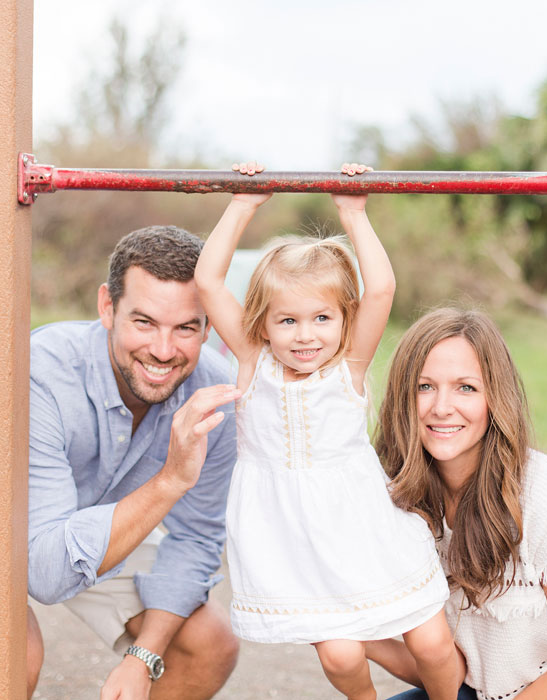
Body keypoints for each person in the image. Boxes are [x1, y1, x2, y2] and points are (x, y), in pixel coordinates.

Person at [0, 226, 242, 700]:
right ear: (107, 307)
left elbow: (196, 538)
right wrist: (168, 484)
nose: (163, 350)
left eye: (185, 328)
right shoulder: (42, 372)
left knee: (207, 643)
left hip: (79, 510)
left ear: (209, 325)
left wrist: (143, 657)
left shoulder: (215, 395)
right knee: (12, 652)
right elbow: (49, 576)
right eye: (143, 322)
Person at [194, 162, 462, 700]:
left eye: (321, 318)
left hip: (362, 525)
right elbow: (207, 281)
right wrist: (243, 204)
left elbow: (381, 288)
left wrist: (354, 214)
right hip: (295, 537)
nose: (304, 335)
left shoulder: (348, 368)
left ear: (344, 319)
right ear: (262, 325)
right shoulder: (254, 362)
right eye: (287, 320)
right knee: (341, 657)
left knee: (432, 645)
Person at [369, 307, 547, 700]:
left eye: (466, 387)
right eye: (425, 386)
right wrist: (349, 635)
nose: (442, 407)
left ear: (495, 397)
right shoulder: (403, 497)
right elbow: (454, 671)